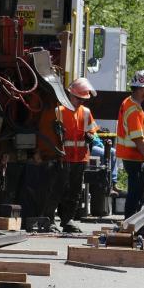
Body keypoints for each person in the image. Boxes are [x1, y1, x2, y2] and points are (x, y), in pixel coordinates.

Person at [54, 77, 99, 232]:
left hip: (79, 158)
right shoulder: (59, 111)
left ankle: (68, 220)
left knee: (75, 190)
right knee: (60, 188)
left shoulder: (86, 112)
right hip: (63, 157)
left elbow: (92, 130)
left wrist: (91, 136)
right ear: (70, 95)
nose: (80, 102)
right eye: (78, 98)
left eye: (82, 99)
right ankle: (55, 218)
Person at [116, 69, 144, 218]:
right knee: (136, 192)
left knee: (138, 190)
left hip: (132, 156)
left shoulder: (129, 103)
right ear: (141, 89)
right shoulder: (133, 109)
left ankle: (131, 222)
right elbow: (138, 138)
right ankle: (131, 222)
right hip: (135, 156)